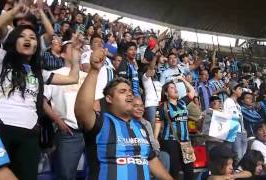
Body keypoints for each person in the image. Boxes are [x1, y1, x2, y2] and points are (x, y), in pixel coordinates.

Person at [74, 48, 172, 180]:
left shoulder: (141, 127)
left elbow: (151, 160)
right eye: (122, 91)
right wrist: (94, 70)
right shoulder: (101, 123)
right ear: (109, 98)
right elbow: (81, 110)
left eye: (130, 91)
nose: (129, 93)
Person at [0, 25, 79, 180]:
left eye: (33, 37)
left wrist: (74, 56)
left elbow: (72, 78)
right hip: (1, 129)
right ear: (13, 41)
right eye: (22, 36)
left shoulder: (40, 73)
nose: (28, 39)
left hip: (30, 134)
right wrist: (14, 12)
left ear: (36, 47)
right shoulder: (1, 60)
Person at [43, 41, 86, 180]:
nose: (76, 50)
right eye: (72, 48)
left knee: (95, 173)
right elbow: (42, 101)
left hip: (90, 131)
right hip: (69, 132)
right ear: (62, 54)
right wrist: (58, 122)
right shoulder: (54, 74)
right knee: (66, 176)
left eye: (78, 48)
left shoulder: (86, 75)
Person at [154, 75, 195, 180]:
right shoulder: (162, 107)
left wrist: (183, 80)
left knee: (189, 170)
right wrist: (155, 139)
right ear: (166, 93)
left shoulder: (182, 102)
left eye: (175, 87)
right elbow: (158, 122)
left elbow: (192, 92)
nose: (175, 89)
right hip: (170, 141)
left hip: (186, 141)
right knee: (174, 170)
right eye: (172, 88)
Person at [131, 97, 170, 174]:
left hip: (148, 154)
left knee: (164, 156)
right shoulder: (126, 123)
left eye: (141, 106)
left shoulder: (147, 124)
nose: (140, 109)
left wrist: (155, 153)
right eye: (136, 106)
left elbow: (152, 141)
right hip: (134, 155)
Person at [223, 80, 247, 165]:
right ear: (233, 90)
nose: (241, 91)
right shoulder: (228, 102)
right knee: (238, 156)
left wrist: (243, 130)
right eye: (239, 89)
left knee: (242, 156)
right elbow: (226, 117)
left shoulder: (238, 104)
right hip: (234, 132)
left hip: (241, 132)